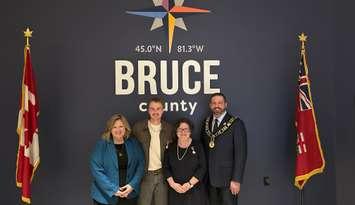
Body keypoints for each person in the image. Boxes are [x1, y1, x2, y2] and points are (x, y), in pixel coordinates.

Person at [201, 93, 247, 205]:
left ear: (225, 104)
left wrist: (236, 179)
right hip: (210, 179)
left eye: (220, 103)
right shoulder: (206, 123)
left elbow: (241, 154)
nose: (217, 105)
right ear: (210, 105)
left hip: (228, 180)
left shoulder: (236, 124)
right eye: (214, 103)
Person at [90, 114, 145, 205]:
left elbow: (141, 164)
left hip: (129, 195)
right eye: (114, 127)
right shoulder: (102, 144)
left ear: (125, 128)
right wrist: (113, 189)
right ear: (110, 129)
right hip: (105, 197)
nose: (118, 130)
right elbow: (96, 169)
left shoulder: (133, 143)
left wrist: (132, 185)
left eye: (121, 126)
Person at [132, 97, 174, 205]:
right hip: (145, 175)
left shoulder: (169, 129)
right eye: (152, 109)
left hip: (163, 175)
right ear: (148, 110)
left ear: (163, 110)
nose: (155, 112)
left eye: (158, 109)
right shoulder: (138, 127)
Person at [163, 118, 208, 205]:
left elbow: (202, 167)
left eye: (186, 129)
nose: (183, 131)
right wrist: (173, 185)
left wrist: (189, 184)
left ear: (190, 131)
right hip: (175, 190)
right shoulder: (170, 147)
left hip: (194, 190)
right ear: (176, 131)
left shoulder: (198, 145)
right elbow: (166, 167)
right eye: (180, 129)